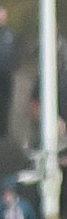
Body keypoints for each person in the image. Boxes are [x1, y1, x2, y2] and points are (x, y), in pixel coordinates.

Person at [0, 7, 20, 138]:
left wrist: (14, 67)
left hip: (7, 75)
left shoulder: (10, 34)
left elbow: (16, 51)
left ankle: (3, 133)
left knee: (6, 104)